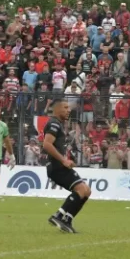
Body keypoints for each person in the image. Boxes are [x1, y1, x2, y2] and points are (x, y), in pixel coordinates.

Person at [44, 99, 92, 233]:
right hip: (56, 166)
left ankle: (67, 220)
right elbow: (47, 144)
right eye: (65, 107)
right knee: (81, 189)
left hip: (59, 165)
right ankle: (58, 216)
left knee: (86, 191)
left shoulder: (58, 124)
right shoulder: (53, 124)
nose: (68, 110)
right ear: (57, 109)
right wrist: (64, 160)